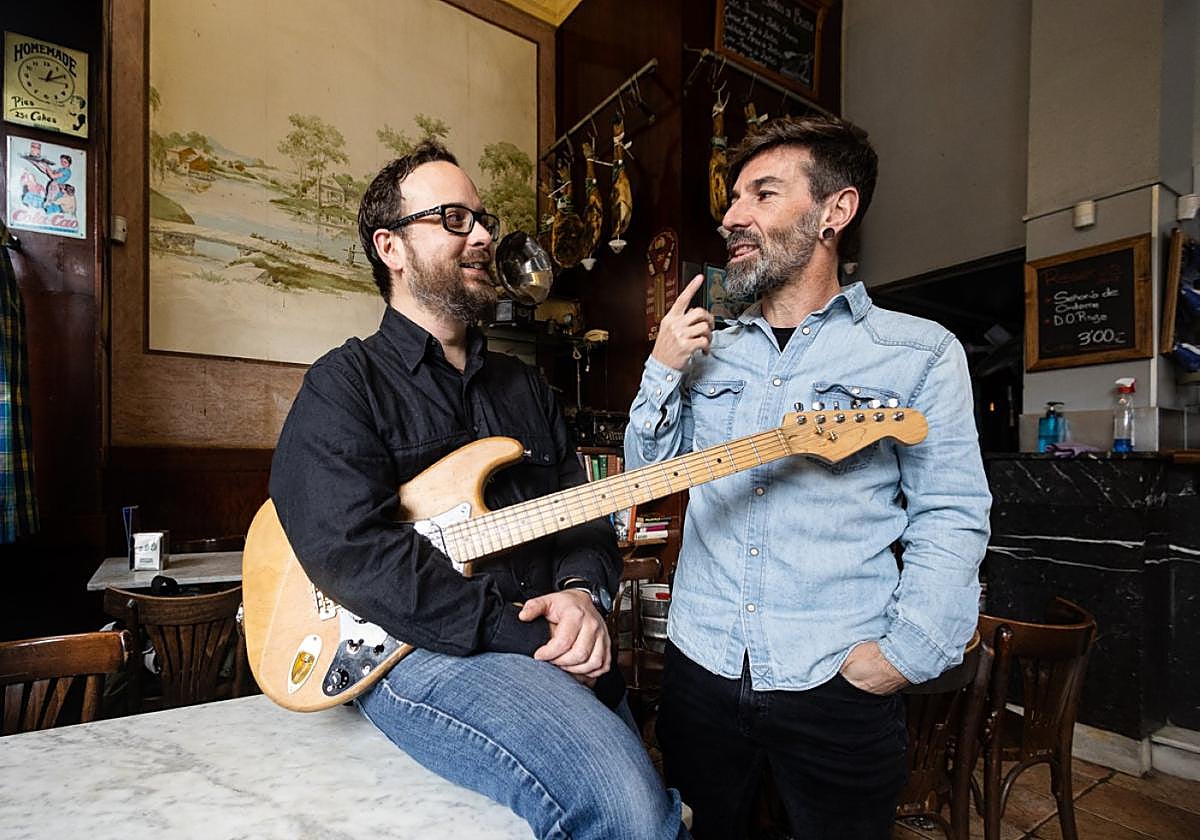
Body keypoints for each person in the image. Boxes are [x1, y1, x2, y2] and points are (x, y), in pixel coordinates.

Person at [269, 141, 689, 840]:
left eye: (482, 219)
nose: (484, 236)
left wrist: (582, 595)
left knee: (651, 792)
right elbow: (352, 550)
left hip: (543, 640)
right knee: (627, 808)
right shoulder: (344, 385)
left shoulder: (527, 389)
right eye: (454, 219)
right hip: (416, 648)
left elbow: (580, 518)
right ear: (390, 247)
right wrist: (520, 631)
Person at [624, 116, 992, 839]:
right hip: (702, 668)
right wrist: (661, 369)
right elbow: (647, 482)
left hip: (837, 680)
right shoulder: (706, 351)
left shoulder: (917, 353)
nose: (733, 217)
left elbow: (950, 513)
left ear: (835, 211)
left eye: (762, 194)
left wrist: (902, 656)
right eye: (734, 199)